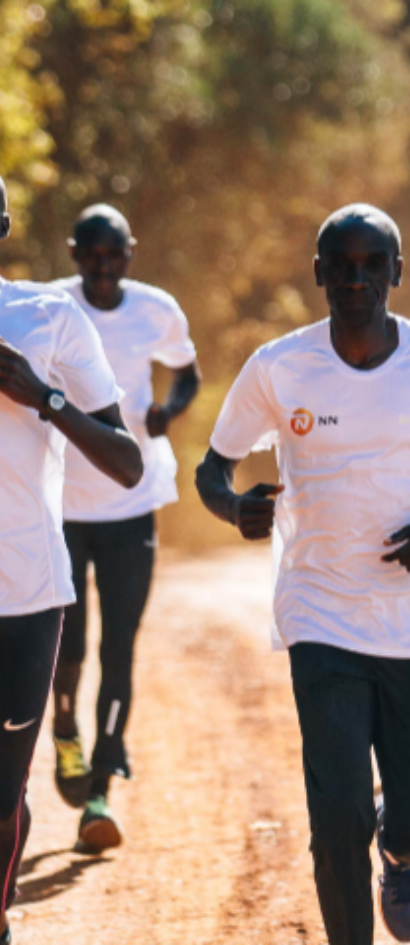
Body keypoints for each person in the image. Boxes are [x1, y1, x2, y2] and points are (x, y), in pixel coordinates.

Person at [195, 204, 410, 945]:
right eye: (343, 265)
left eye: (374, 265)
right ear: (320, 275)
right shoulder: (280, 366)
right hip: (321, 613)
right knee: (336, 817)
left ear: (397, 274)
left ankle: (404, 856)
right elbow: (213, 467)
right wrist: (231, 506)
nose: (358, 279)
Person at [0, 172, 143, 945]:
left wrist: (40, 395)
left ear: (3, 222)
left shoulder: (47, 317)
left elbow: (126, 460)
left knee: (3, 794)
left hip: (24, 593)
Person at [47, 204, 200, 853]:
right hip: (59, 503)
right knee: (70, 644)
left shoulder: (156, 309)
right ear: (76, 253)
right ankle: (64, 732)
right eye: (93, 254)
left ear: (129, 254)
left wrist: (169, 409)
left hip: (131, 501)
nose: (104, 267)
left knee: (119, 646)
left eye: (116, 255)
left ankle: (102, 787)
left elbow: (187, 371)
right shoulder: (51, 308)